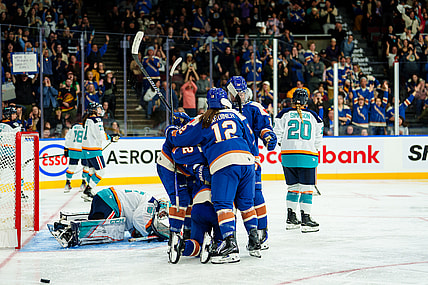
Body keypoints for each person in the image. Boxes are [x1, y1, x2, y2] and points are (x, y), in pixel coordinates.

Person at [165, 88, 261, 264]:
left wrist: (172, 130)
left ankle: (230, 247)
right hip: (247, 162)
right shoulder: (237, 115)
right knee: (247, 204)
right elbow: (251, 139)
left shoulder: (204, 119)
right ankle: (255, 241)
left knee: (223, 204)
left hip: (224, 163)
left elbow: (179, 140)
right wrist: (254, 159)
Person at [227, 77, 277, 250]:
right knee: (228, 200)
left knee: (255, 196)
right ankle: (228, 238)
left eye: (242, 91)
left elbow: (263, 126)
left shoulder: (254, 107)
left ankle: (261, 233)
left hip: (250, 161)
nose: (240, 95)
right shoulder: (223, 109)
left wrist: (268, 136)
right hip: (228, 162)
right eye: (237, 92)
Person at [48, 187, 169, 248]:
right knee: (97, 227)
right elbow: (139, 219)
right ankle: (68, 233)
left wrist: (139, 233)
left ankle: (63, 226)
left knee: (92, 222)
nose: (162, 216)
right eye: (163, 213)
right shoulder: (151, 203)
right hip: (111, 202)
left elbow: (134, 226)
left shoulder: (147, 202)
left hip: (105, 197)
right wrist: (151, 233)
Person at [273, 88, 323, 233]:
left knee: (292, 187)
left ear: (292, 100)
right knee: (307, 189)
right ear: (306, 101)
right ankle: (306, 220)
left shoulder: (283, 114)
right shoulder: (314, 116)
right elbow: (318, 139)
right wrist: (314, 150)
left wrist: (286, 145)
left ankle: (291, 218)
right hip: (307, 155)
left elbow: (277, 134)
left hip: (287, 155)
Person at [81, 102, 119, 202]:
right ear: (93, 110)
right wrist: (111, 138)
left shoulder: (88, 120)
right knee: (101, 171)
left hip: (86, 149)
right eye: (98, 108)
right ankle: (88, 190)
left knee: (92, 171)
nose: (100, 110)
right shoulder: (96, 120)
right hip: (93, 150)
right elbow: (100, 135)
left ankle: (89, 192)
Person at [63, 121, 87, 193]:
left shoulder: (74, 126)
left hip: (73, 149)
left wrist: (66, 148)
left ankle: (67, 184)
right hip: (84, 149)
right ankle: (83, 184)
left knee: (71, 167)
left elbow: (67, 137)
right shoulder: (88, 126)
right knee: (86, 167)